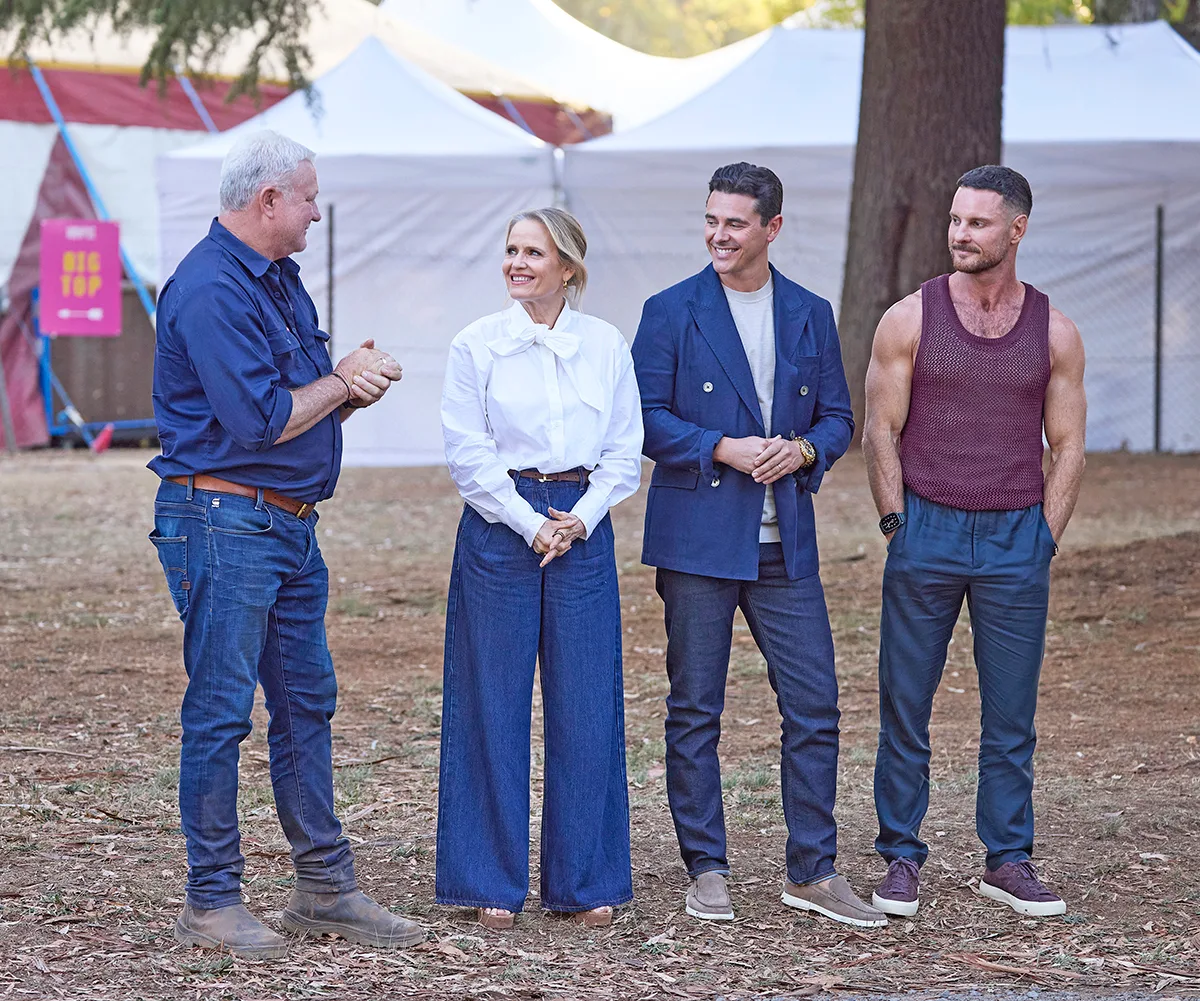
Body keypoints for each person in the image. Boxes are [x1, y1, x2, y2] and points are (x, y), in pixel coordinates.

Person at [148, 129, 422, 959]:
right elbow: (261, 418)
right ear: (267, 200)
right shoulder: (208, 289)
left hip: (285, 525)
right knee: (222, 711)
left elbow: (296, 400)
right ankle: (211, 900)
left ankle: (324, 886)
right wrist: (342, 382)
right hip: (224, 521)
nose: (313, 210)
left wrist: (348, 386)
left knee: (306, 703)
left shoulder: (276, 279)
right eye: (305, 195)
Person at [631, 162, 885, 928]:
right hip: (699, 541)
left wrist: (805, 452)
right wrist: (721, 447)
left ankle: (812, 870)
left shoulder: (809, 311)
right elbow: (641, 417)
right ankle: (705, 866)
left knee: (815, 705)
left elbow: (838, 417)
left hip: (785, 544)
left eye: (735, 222)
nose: (718, 234)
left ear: (771, 228)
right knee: (695, 708)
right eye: (711, 219)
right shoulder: (670, 309)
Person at [863, 165, 1087, 919]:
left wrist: (1042, 537)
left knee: (1011, 711)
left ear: (1016, 230)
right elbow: (880, 429)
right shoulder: (910, 318)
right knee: (905, 702)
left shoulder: (1054, 329)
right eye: (956, 221)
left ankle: (1008, 858)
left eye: (978, 223)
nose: (961, 234)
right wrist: (897, 523)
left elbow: (1070, 445)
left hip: (1015, 537)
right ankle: (899, 856)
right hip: (927, 528)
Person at [437, 207, 643, 930]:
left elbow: (625, 449)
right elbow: (467, 453)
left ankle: (584, 880)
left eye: (534, 252)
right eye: (511, 250)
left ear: (569, 268)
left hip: (582, 521)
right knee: (489, 698)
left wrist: (579, 518)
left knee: (587, 701)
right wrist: (530, 523)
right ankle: (487, 876)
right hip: (502, 524)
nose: (517, 262)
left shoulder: (606, 344)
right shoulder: (476, 345)